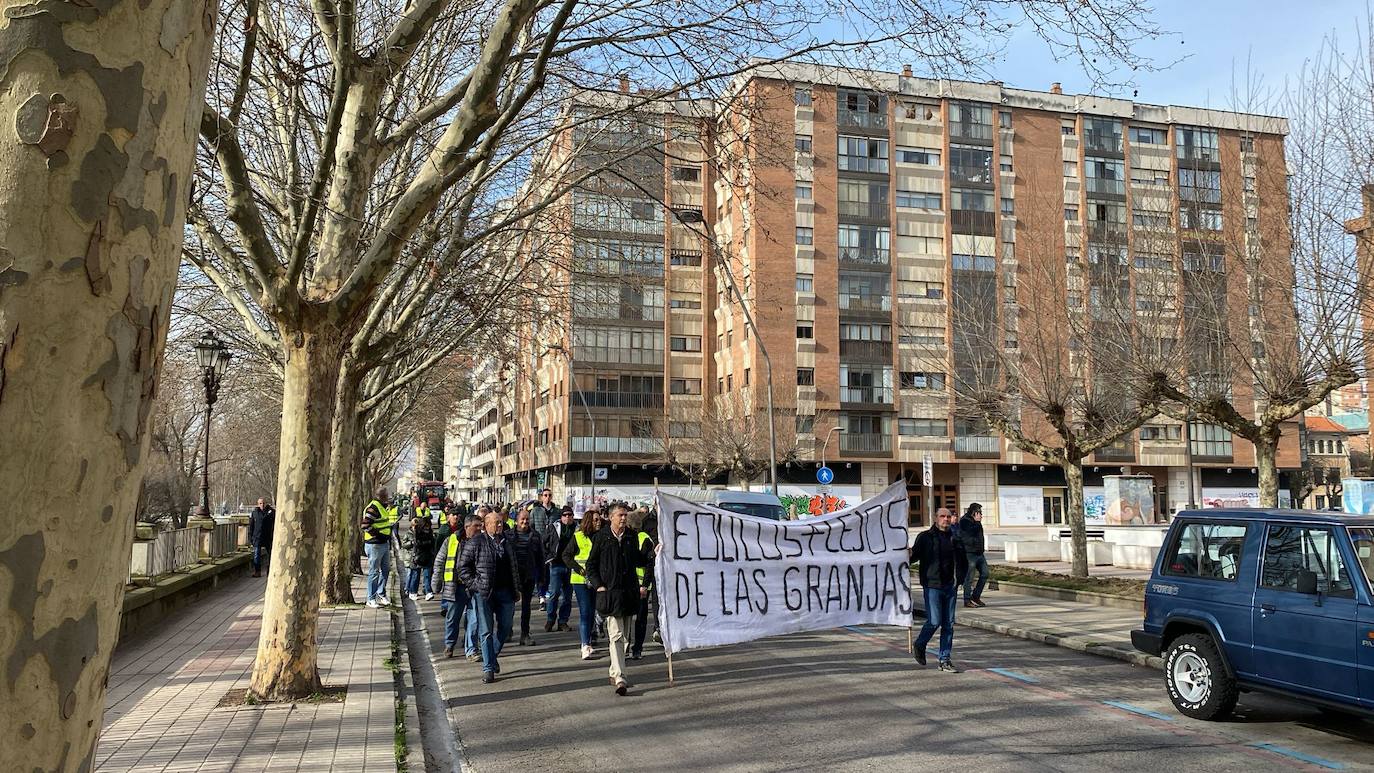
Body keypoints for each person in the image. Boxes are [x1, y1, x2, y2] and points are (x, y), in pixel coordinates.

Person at [585, 503, 651, 695]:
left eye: (625, 515)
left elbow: (638, 560)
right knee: (615, 636)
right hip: (611, 595)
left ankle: (614, 671)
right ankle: (621, 677)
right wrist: (599, 585)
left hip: (629, 594)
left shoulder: (630, 537)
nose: (623, 518)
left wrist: (651, 552)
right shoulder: (602, 538)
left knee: (625, 638)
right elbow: (591, 565)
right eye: (620, 515)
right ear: (612, 517)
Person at [458, 510, 522, 683]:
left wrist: (517, 589)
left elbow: (514, 567)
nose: (500, 525)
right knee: (486, 631)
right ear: (486, 526)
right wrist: (475, 585)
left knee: (505, 627)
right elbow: (463, 568)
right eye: (496, 523)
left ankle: (492, 656)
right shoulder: (476, 542)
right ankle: (488, 668)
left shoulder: (507, 542)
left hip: (506, 592)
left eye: (501, 522)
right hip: (484, 593)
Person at [911, 507, 968, 672]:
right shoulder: (926, 537)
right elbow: (913, 557)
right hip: (932, 586)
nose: (946, 519)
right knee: (934, 621)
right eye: (942, 516)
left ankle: (944, 659)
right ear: (936, 518)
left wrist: (961, 580)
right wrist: (905, 555)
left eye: (948, 517)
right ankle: (920, 644)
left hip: (950, 586)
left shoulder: (955, 538)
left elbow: (963, 561)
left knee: (948, 624)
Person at [433, 514, 481, 657]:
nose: (480, 529)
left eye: (481, 525)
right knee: (453, 618)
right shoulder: (452, 540)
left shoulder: (482, 541)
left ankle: (471, 650)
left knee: (474, 619)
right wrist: (436, 582)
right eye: (476, 526)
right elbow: (440, 561)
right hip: (456, 587)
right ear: (467, 527)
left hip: (474, 587)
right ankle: (449, 644)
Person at [563, 508, 603, 659]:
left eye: (599, 520)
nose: (599, 522)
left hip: (596, 580)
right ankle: (585, 645)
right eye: (596, 520)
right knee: (585, 612)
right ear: (589, 521)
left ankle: (590, 639)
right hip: (580, 580)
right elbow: (566, 556)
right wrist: (580, 570)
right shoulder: (578, 537)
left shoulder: (600, 536)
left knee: (594, 611)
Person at [626, 508, 657, 660]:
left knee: (638, 618)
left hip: (640, 586)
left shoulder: (643, 539)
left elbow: (649, 565)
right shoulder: (629, 537)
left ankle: (636, 648)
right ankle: (632, 647)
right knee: (634, 618)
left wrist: (644, 585)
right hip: (632, 585)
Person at [510, 509, 544, 645]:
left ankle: (525, 634)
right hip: (512, 576)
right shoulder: (508, 535)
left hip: (528, 575)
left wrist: (542, 577)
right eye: (522, 519)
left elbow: (541, 558)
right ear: (517, 521)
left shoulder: (535, 536)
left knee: (526, 606)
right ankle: (507, 630)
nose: (525, 522)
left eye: (527, 519)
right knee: (509, 606)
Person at [362, 488, 399, 608]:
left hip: (383, 543)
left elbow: (382, 523)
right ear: (381, 496)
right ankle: (371, 598)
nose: (388, 497)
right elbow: (365, 525)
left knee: (386, 569)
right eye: (386, 495)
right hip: (374, 544)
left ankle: (381, 592)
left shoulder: (383, 506)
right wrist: (379, 535)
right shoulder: (373, 507)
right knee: (374, 572)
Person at [542, 506, 576, 632]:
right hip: (556, 564)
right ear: (561, 517)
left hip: (571, 566)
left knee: (567, 596)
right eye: (565, 515)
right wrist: (549, 557)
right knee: (554, 594)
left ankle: (563, 621)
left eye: (570, 515)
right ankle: (550, 619)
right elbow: (543, 542)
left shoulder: (576, 529)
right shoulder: (553, 527)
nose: (567, 517)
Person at [958, 503, 989, 608]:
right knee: (969, 577)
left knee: (985, 573)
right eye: (979, 513)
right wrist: (976, 523)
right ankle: (967, 600)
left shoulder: (977, 523)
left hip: (979, 553)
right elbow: (969, 534)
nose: (981, 515)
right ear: (974, 513)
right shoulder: (964, 521)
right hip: (969, 553)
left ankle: (976, 596)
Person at [404, 511, 438, 600]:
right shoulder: (416, 533)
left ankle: (428, 592)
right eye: (425, 526)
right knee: (415, 576)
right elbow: (415, 544)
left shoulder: (431, 533)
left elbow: (432, 545)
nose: (427, 528)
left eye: (428, 526)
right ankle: (413, 591)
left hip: (427, 557)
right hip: (417, 557)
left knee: (427, 576)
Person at [248, 497, 275, 578]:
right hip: (257, 537)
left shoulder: (271, 512)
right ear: (258, 504)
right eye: (260, 503)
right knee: (256, 555)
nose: (262, 505)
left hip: (268, 537)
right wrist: (251, 538)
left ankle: (269, 570)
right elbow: (251, 526)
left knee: (270, 554)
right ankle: (257, 571)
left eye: (263, 503)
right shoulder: (255, 513)